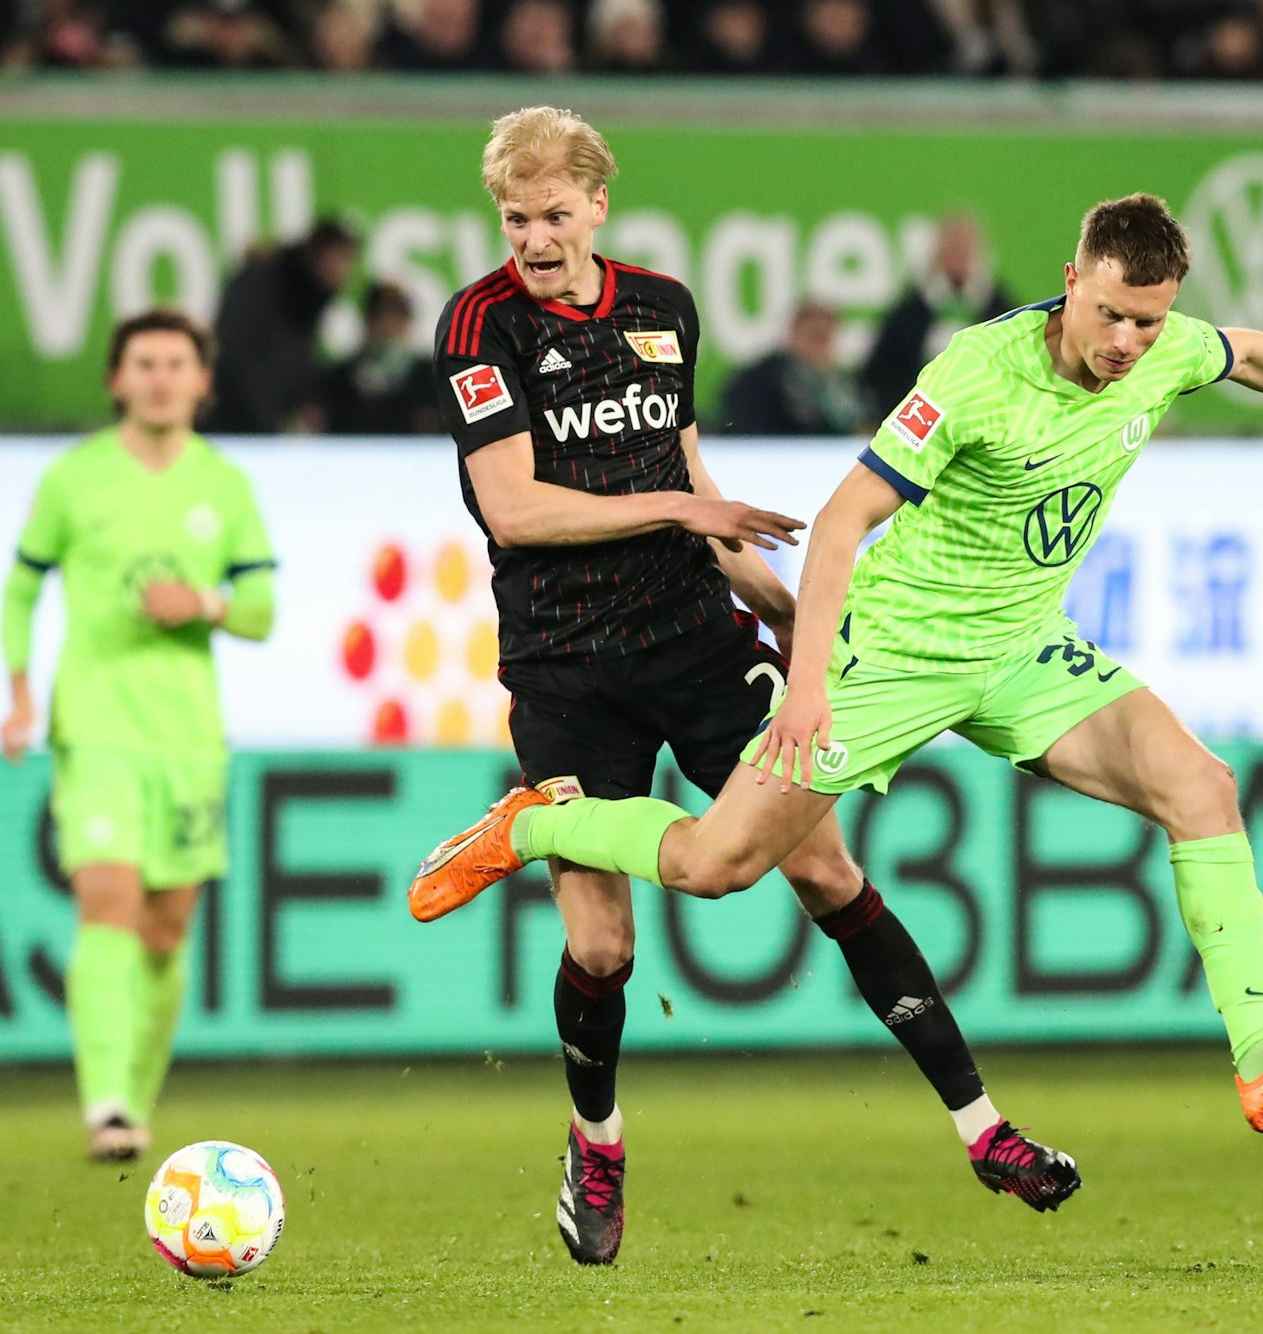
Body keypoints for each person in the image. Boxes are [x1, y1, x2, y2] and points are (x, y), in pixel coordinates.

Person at [415, 192, 1263, 1150]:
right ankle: (530, 826)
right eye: (1108, 313)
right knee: (713, 864)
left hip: (1020, 648)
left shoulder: (1168, 346)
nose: (1125, 341)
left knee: (1200, 786)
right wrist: (808, 676)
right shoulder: (976, 372)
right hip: (893, 651)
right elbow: (841, 519)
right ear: (1071, 282)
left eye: (1146, 320)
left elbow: (1251, 352)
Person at [417, 106, 1079, 1267]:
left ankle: (985, 1129)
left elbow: (679, 464)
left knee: (822, 864)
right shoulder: (478, 325)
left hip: (696, 641)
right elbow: (515, 506)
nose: (533, 236)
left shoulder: (663, 307)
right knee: (606, 948)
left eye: (554, 214)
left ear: (598, 205)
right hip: (566, 665)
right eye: (515, 218)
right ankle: (598, 1142)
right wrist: (684, 510)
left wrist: (777, 603)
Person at [0, 308, 276, 1162]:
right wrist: (20, 693)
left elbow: (262, 612)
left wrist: (207, 605)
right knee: (109, 902)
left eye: (175, 362)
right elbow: (21, 588)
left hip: (189, 737)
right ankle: (106, 1103)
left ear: (202, 381)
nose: (159, 376)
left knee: (165, 929)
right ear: (117, 379)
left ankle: (136, 1097)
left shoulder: (224, 485)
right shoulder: (75, 478)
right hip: (98, 728)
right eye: (143, 362)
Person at [207, 217, 360, 434]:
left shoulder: (311, 300)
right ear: (315, 253)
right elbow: (236, 355)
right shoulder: (261, 284)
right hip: (234, 426)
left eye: (347, 261)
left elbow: (297, 363)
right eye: (335, 258)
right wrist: (267, 422)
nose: (340, 270)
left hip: (263, 428)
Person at [861, 214, 1016, 419]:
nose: (958, 256)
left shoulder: (1001, 311)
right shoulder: (908, 313)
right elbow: (881, 373)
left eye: (964, 249)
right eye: (951, 248)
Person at [720, 303, 869, 436]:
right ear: (793, 333)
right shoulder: (759, 382)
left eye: (826, 337)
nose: (819, 345)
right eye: (814, 335)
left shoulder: (845, 385)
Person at [321, 280, 441, 435]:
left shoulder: (431, 378)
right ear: (368, 320)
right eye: (382, 315)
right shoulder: (337, 380)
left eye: (398, 315)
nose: (389, 325)